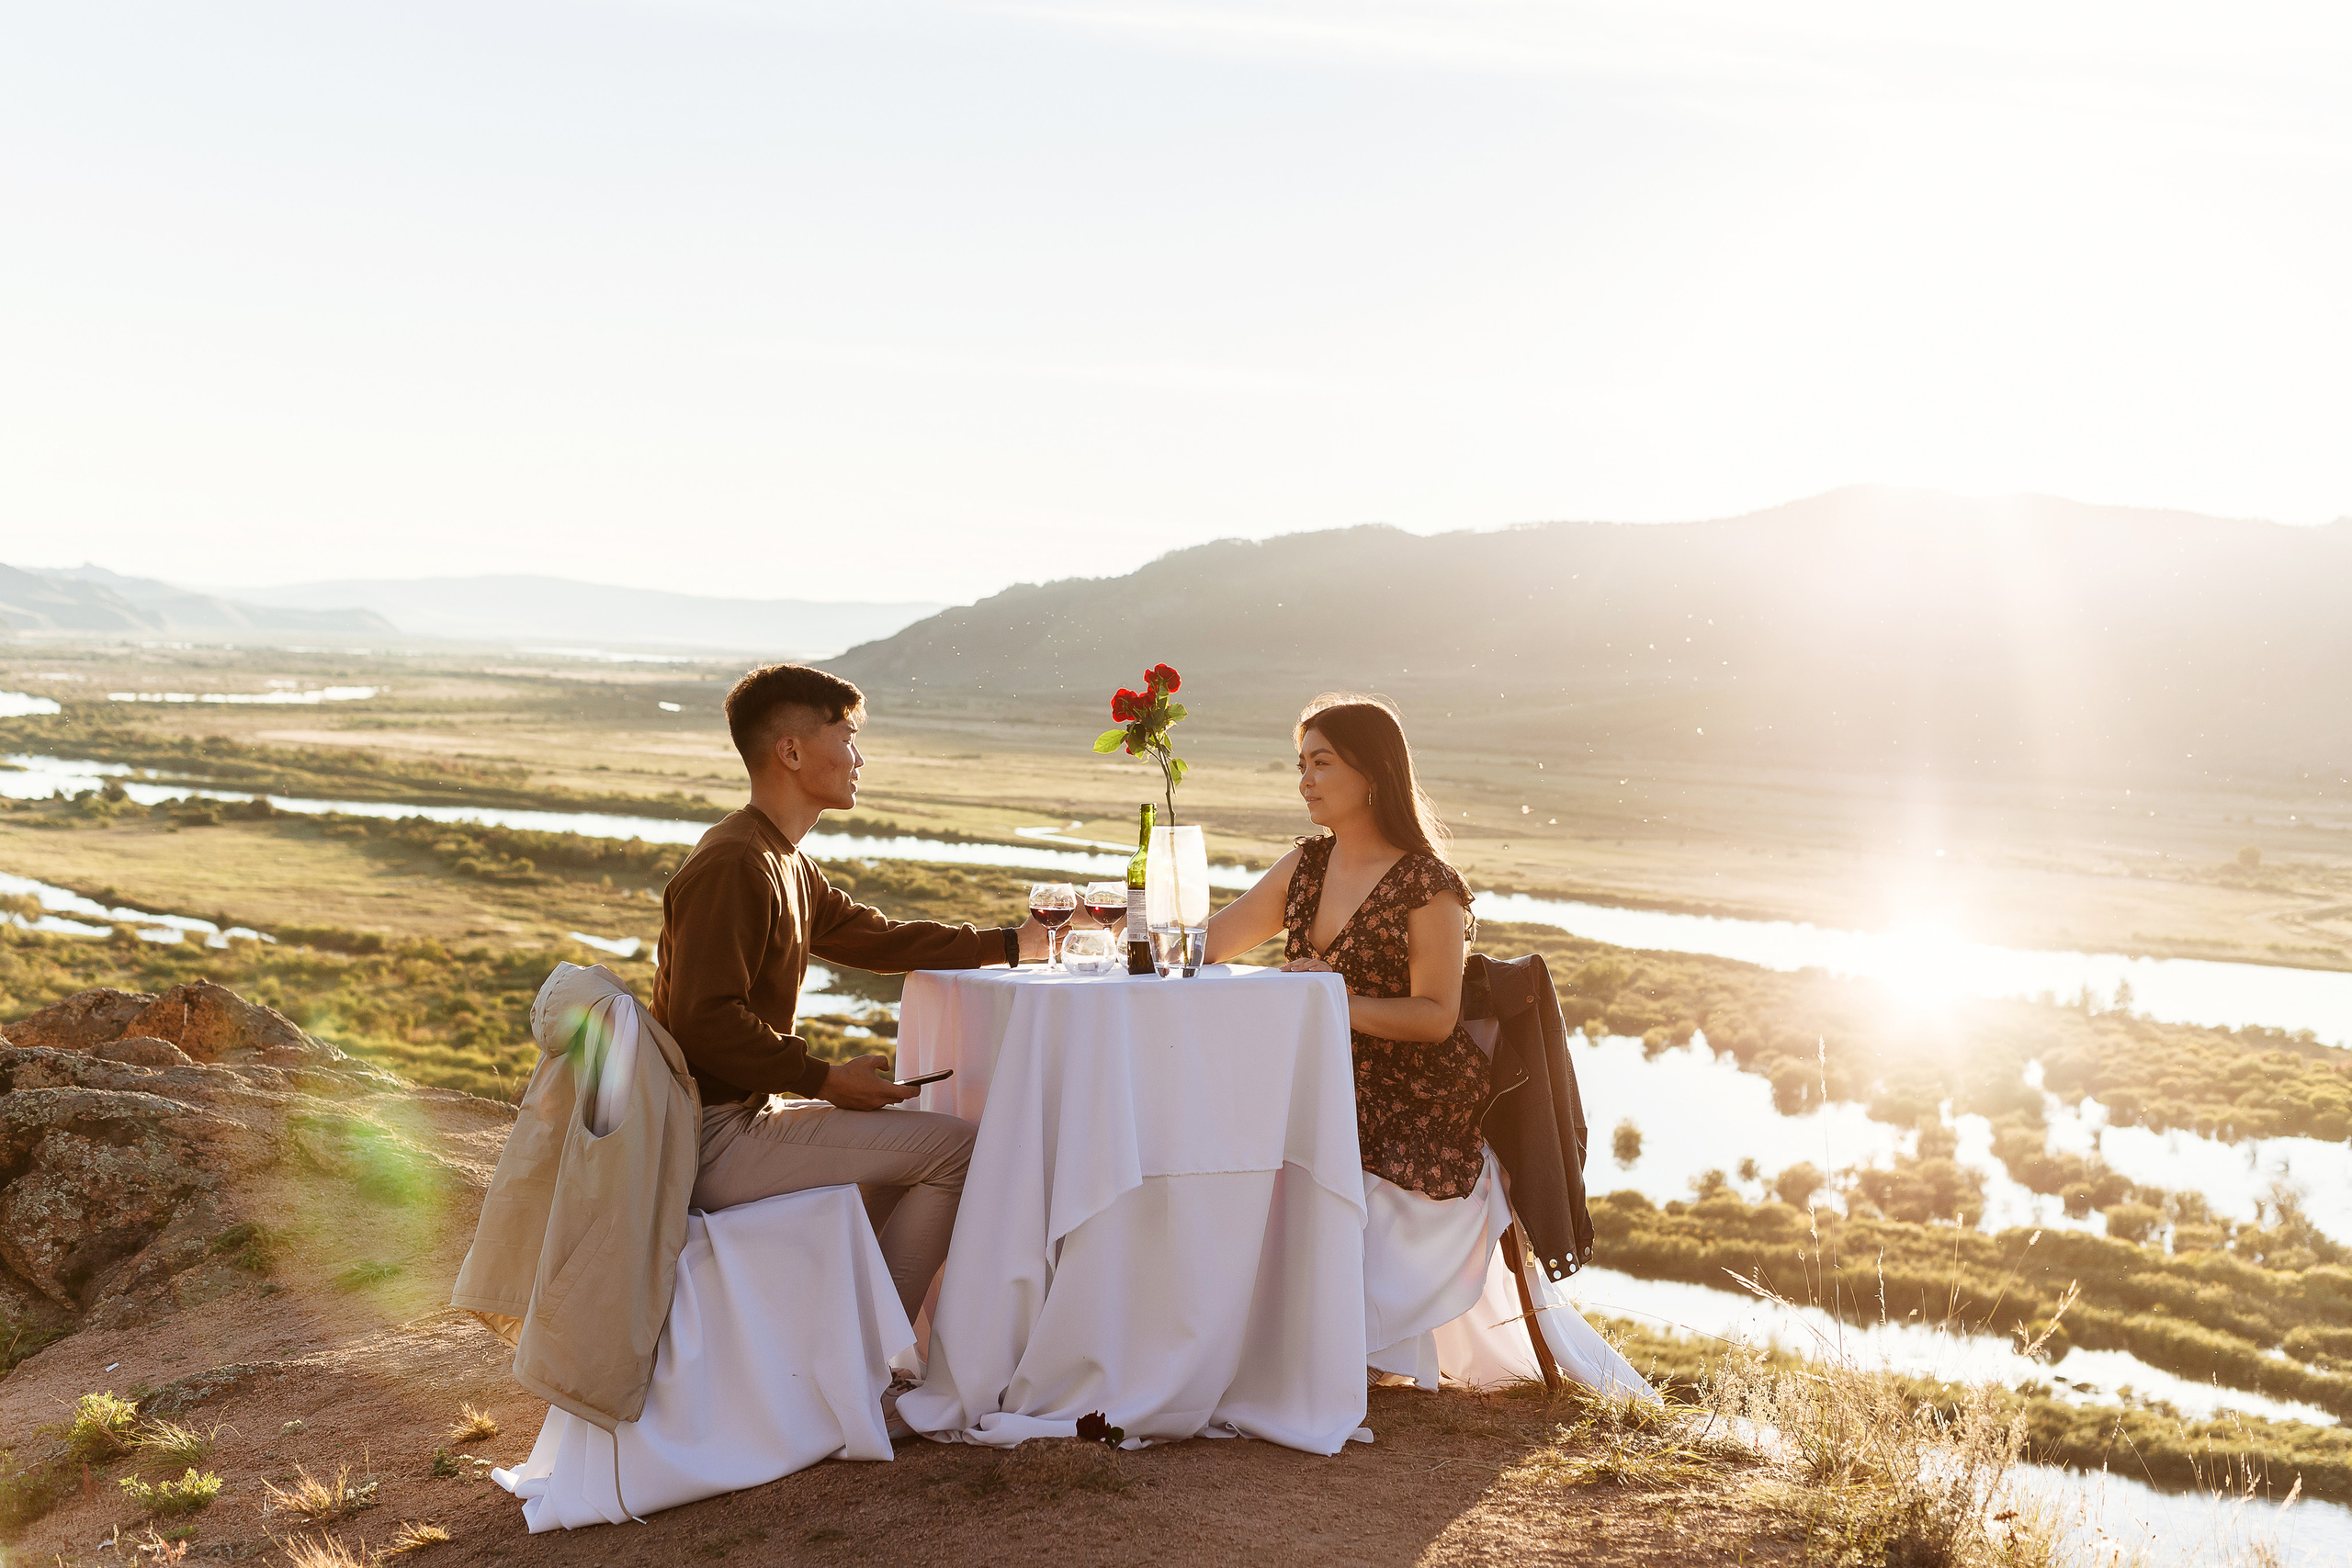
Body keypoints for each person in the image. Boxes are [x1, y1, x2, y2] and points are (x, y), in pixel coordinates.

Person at [652, 662, 1050, 1325]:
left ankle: (827, 1344)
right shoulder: (733, 863)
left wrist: (1014, 942)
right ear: (791, 750)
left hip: (745, 1117)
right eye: (848, 735)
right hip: (711, 1138)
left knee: (908, 1152)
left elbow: (882, 939)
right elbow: (703, 1018)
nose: (859, 757)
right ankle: (869, 1366)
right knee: (956, 1151)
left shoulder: (783, 859)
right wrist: (826, 1079)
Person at [1203, 693, 1487, 1201]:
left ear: (1373, 773)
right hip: (1316, 1074)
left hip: (1402, 1098)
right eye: (1303, 765)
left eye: (1322, 764)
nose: (1305, 782)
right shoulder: (1306, 866)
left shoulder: (1428, 885)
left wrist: (1331, 998)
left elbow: (1437, 1016)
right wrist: (1113, 915)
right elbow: (1210, 944)